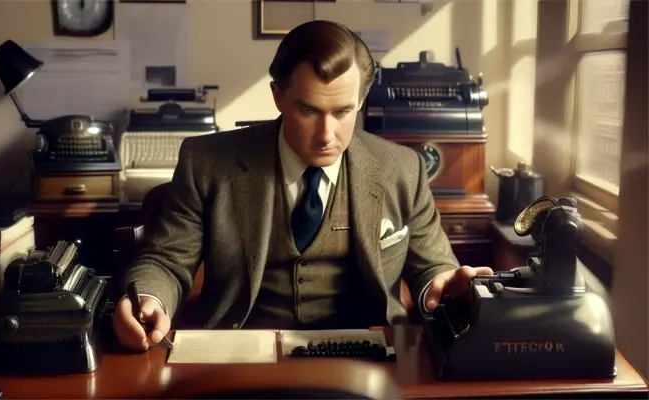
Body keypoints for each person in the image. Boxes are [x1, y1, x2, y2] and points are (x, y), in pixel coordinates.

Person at [113, 20, 493, 351]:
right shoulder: (208, 162)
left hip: (371, 357)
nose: (327, 135)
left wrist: (442, 287)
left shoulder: (402, 169)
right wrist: (149, 298)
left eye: (343, 111)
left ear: (361, 100)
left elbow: (435, 269)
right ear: (278, 96)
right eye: (308, 110)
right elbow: (166, 260)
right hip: (241, 353)